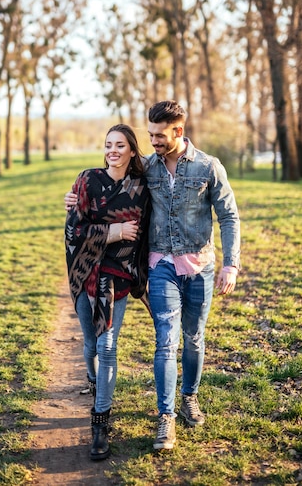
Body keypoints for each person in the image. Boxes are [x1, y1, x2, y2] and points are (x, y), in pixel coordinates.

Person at [65, 102, 241, 452]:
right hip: (159, 267)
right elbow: (102, 188)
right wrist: (75, 198)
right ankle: (166, 417)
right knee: (164, 342)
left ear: (179, 131)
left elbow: (229, 216)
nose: (154, 141)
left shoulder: (208, 167)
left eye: (160, 135)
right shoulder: (149, 168)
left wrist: (230, 264)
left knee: (193, 339)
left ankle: (188, 396)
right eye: (150, 135)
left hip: (199, 266)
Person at [64, 124, 151, 461]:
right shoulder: (87, 180)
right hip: (85, 272)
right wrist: (114, 231)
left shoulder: (142, 189)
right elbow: (74, 229)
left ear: (132, 150)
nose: (112, 151)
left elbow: (146, 233)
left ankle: (100, 423)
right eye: (108, 145)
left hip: (118, 277)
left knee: (108, 347)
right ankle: (95, 381)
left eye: (120, 145)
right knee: (90, 345)